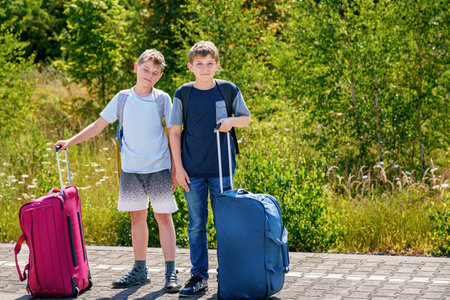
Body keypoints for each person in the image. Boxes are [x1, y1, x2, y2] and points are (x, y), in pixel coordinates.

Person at [54, 49, 181, 293]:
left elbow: (174, 134)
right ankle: (140, 270)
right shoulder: (122, 98)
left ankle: (170, 272)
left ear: (160, 76)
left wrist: (176, 167)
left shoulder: (162, 98)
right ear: (136, 67)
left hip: (159, 169)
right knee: (137, 218)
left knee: (164, 217)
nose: (150, 75)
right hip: (131, 171)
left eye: (155, 73)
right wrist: (70, 141)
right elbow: (98, 125)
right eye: (146, 69)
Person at [169, 41, 251, 296]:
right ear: (190, 66)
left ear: (217, 64)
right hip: (191, 170)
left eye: (209, 64)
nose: (205, 69)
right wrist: (178, 168)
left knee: (226, 223)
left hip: (222, 169)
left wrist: (230, 121)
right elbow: (174, 133)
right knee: (196, 225)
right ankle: (198, 276)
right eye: (199, 64)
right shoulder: (183, 93)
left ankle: (228, 273)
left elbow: (246, 119)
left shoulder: (228, 89)